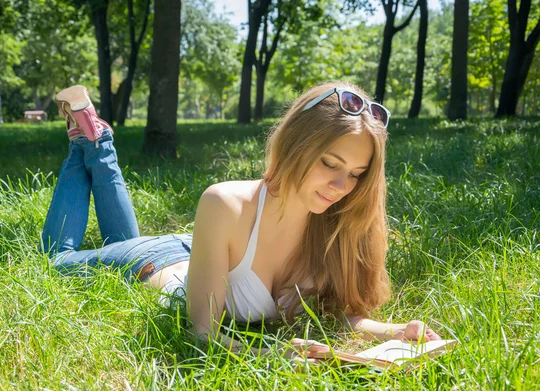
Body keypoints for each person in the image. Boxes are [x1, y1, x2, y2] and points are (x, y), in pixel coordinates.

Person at [41, 83, 441, 360]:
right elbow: (202, 334)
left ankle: (89, 136)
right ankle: (91, 143)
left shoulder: (338, 222)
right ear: (295, 145)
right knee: (57, 260)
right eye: (329, 163)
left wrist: (395, 331)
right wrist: (273, 355)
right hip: (156, 261)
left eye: (356, 173)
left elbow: (341, 315)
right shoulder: (225, 202)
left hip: (205, 249)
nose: (341, 185)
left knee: (119, 236)